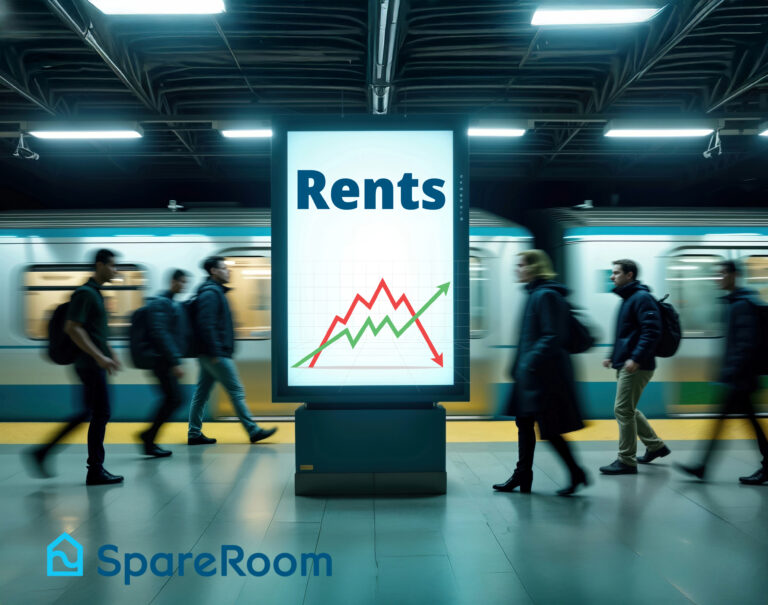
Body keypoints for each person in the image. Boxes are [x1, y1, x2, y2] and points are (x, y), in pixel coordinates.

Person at [493, 250, 588, 496]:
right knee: (524, 424)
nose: (517, 269)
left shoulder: (545, 295)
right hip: (532, 375)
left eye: (521, 265)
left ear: (535, 268)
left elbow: (552, 335)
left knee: (550, 429)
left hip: (545, 376)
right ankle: (523, 475)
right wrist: (519, 366)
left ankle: (576, 472)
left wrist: (528, 362)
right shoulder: (535, 294)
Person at [27, 249, 124, 485]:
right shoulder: (85, 293)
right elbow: (73, 328)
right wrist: (100, 356)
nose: (115, 270)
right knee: (100, 413)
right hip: (89, 364)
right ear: (100, 265)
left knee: (89, 413)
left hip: (92, 363)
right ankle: (95, 469)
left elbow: (92, 329)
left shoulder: (96, 294)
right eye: (112, 265)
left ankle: (44, 452)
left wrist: (108, 352)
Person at [677, 261, 768, 484]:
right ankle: (702, 466)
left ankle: (702, 466)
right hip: (741, 376)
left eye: (722, 274)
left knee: (725, 421)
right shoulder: (735, 302)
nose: (717, 278)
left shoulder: (742, 304)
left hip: (741, 377)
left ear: (734, 276)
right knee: (744, 422)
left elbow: (746, 344)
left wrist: (732, 371)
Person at [187, 256, 277, 445]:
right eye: (224, 268)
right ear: (213, 271)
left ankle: (194, 433)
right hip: (215, 353)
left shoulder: (214, 292)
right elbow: (206, 325)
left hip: (210, 352)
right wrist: (215, 352)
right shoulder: (211, 294)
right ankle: (253, 431)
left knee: (201, 394)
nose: (228, 271)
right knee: (236, 390)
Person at [599, 259, 670, 475]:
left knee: (622, 409)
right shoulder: (629, 298)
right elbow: (626, 334)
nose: (612, 277)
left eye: (616, 273)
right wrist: (613, 356)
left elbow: (651, 331)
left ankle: (626, 460)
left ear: (629, 275)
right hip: (628, 362)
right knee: (628, 408)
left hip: (637, 365)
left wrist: (636, 358)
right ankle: (656, 446)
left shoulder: (641, 297)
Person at [138, 269, 190, 457]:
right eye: (182, 282)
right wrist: (174, 361)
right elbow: (160, 332)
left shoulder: (170, 303)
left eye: (186, 282)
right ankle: (148, 437)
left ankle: (148, 436)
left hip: (164, 360)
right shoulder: (161, 303)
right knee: (175, 398)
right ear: (173, 281)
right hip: (162, 361)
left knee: (174, 398)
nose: (184, 286)